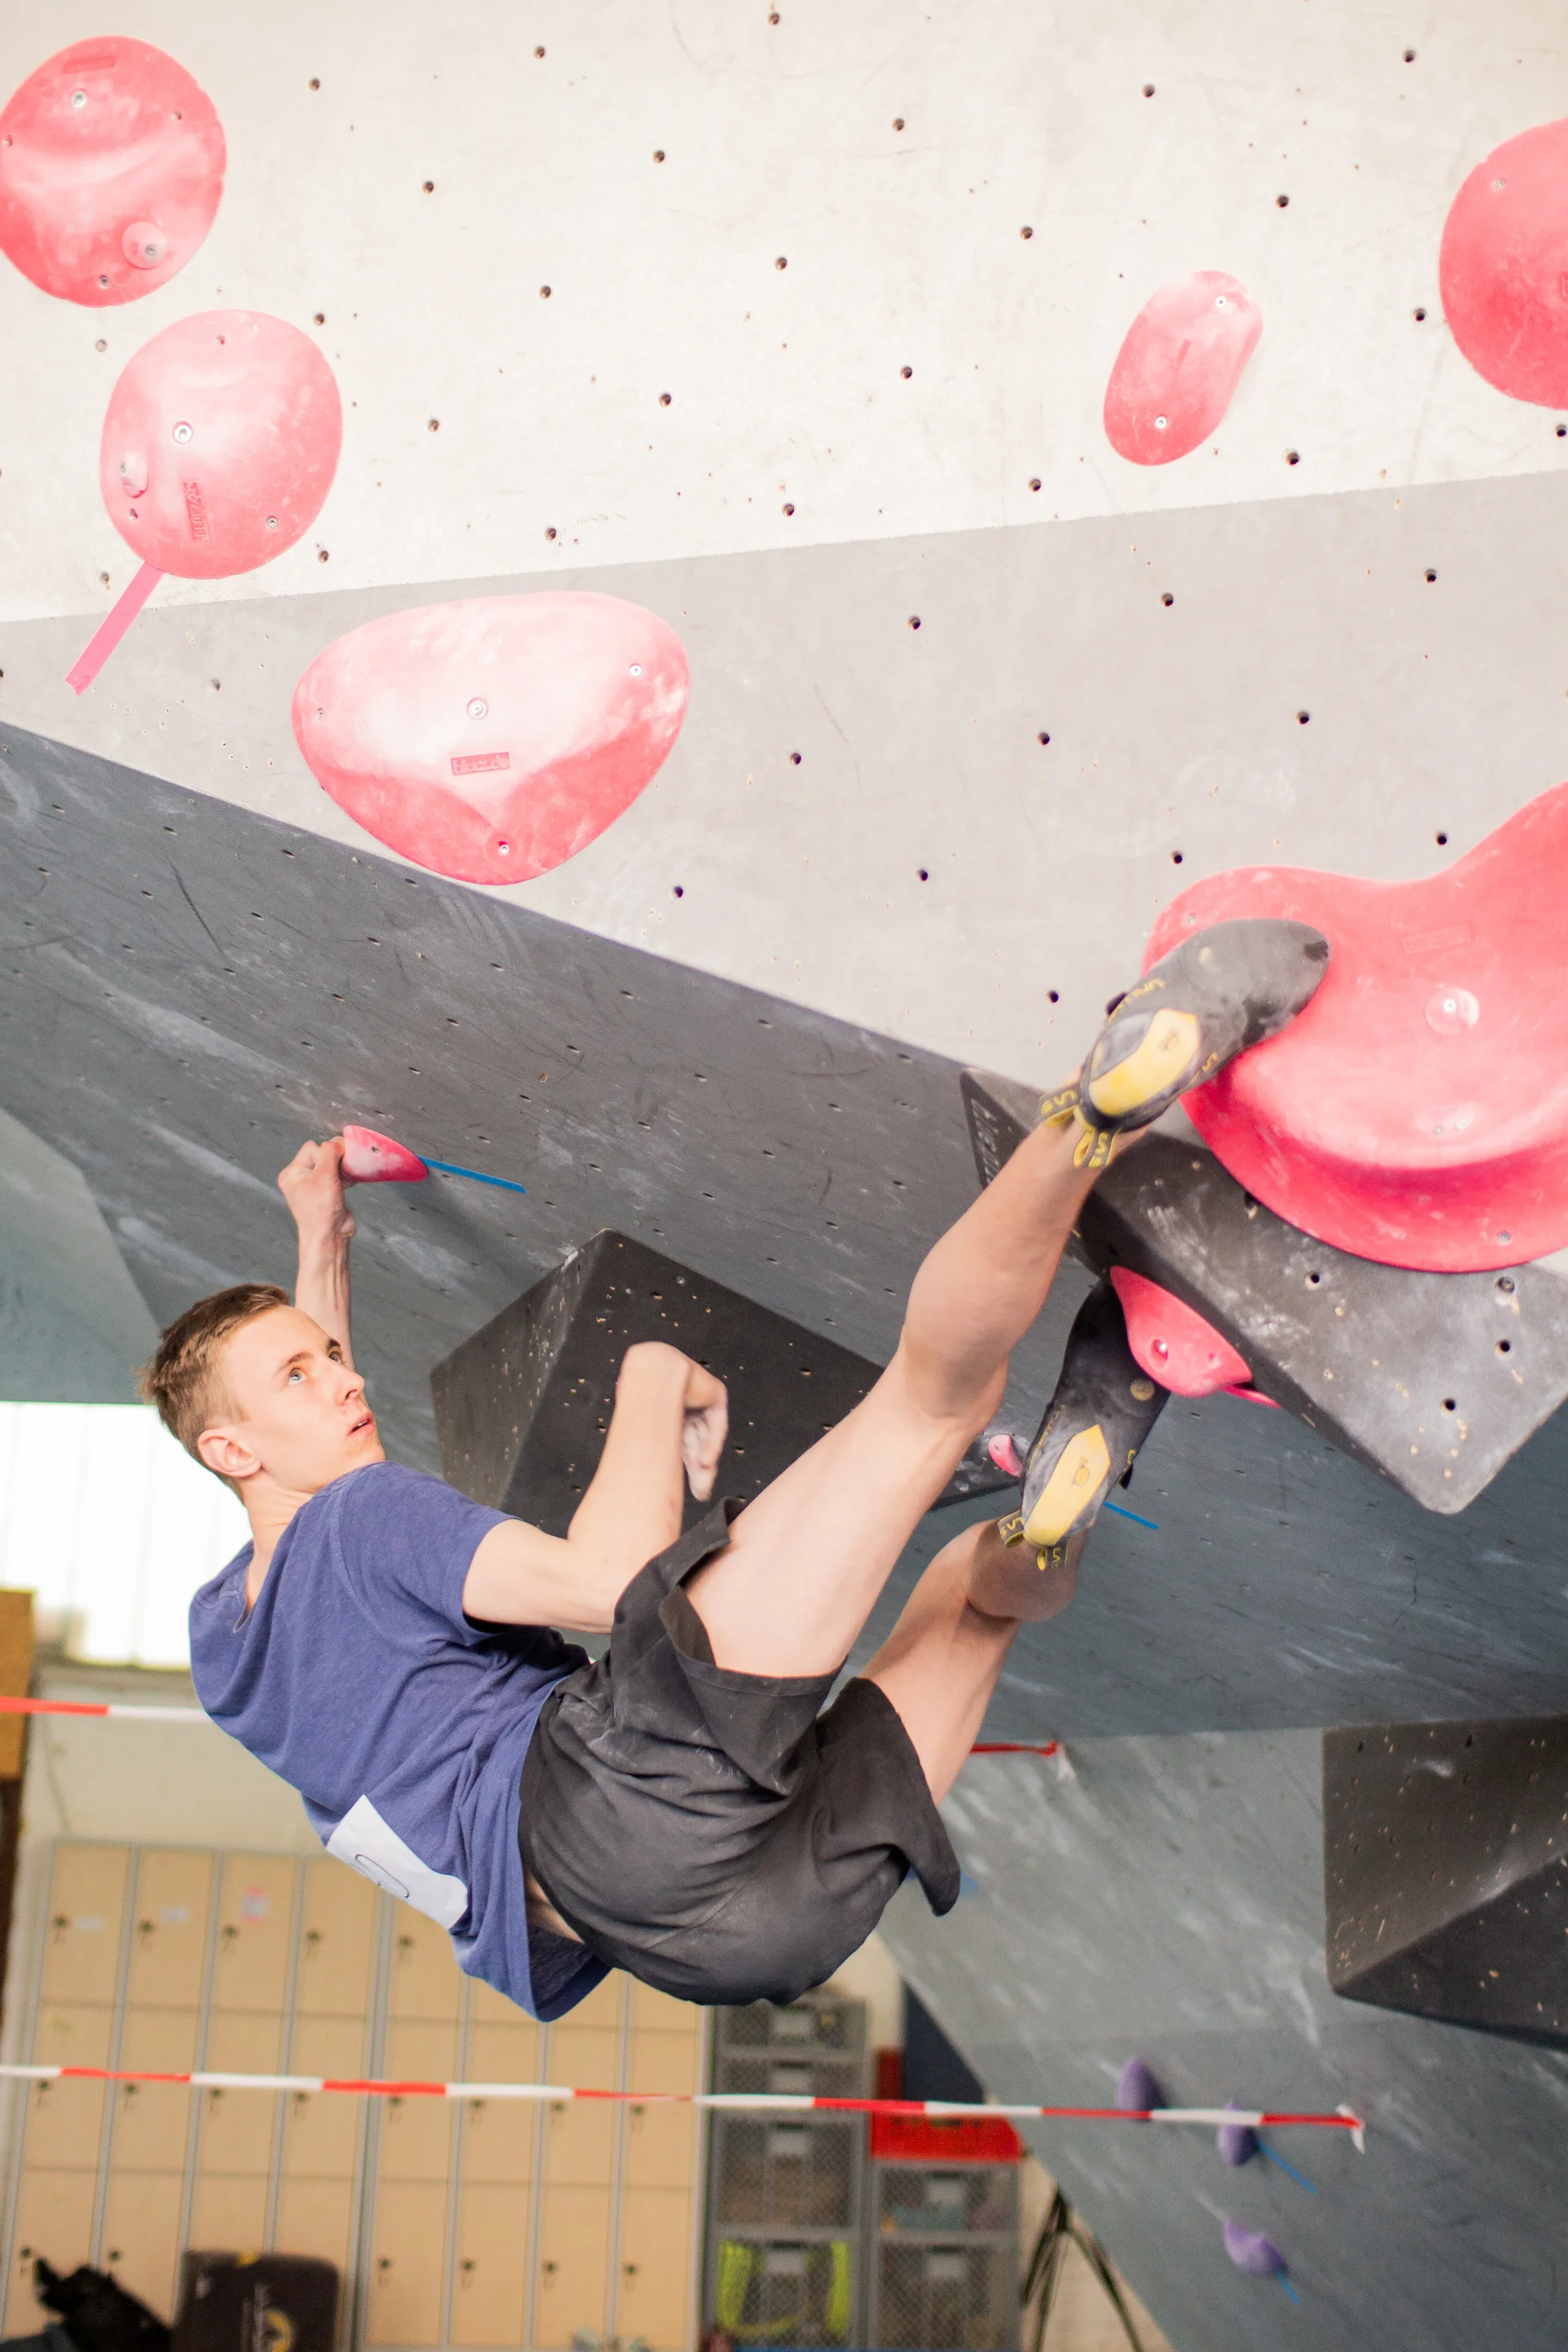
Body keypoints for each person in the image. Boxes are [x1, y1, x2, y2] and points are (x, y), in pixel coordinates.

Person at [149, 920, 1326, 2017]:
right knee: (931, 1404)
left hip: (713, 1947)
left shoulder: (232, 1659)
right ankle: (1097, 1107)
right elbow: (610, 1579)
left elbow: (284, 1449)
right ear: (234, 1448)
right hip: (613, 1804)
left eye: (324, 1361)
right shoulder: (360, 1523)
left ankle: (1043, 1523)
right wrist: (652, 1375)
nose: (346, 1381)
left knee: (972, 1599)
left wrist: (322, 1242)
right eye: (306, 1378)